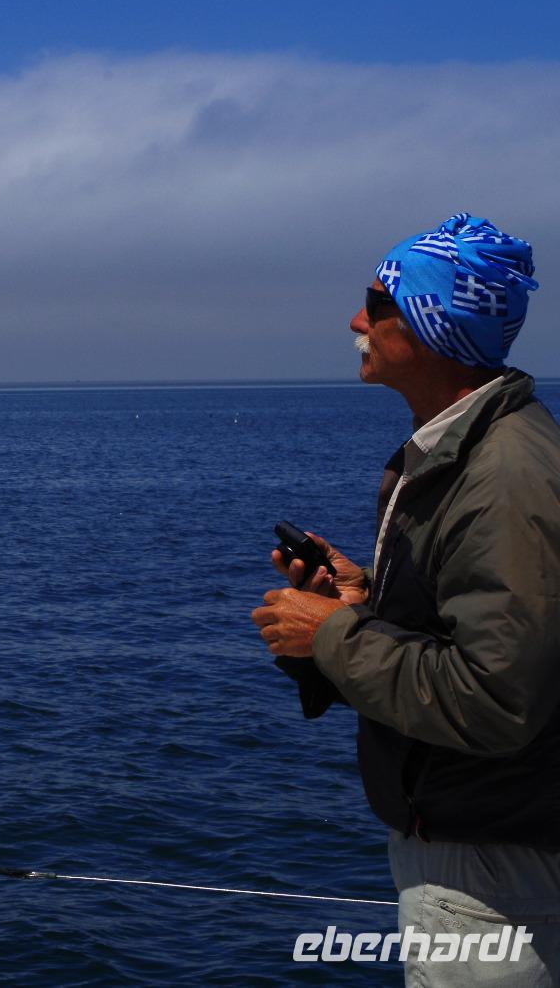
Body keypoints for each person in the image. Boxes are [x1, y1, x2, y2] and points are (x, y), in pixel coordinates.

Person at [251, 214, 560, 984]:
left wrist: (333, 634)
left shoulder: (504, 477)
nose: (356, 321)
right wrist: (364, 598)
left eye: (376, 301)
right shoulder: (473, 449)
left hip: (490, 875)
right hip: (485, 856)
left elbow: (496, 697)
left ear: (429, 326)